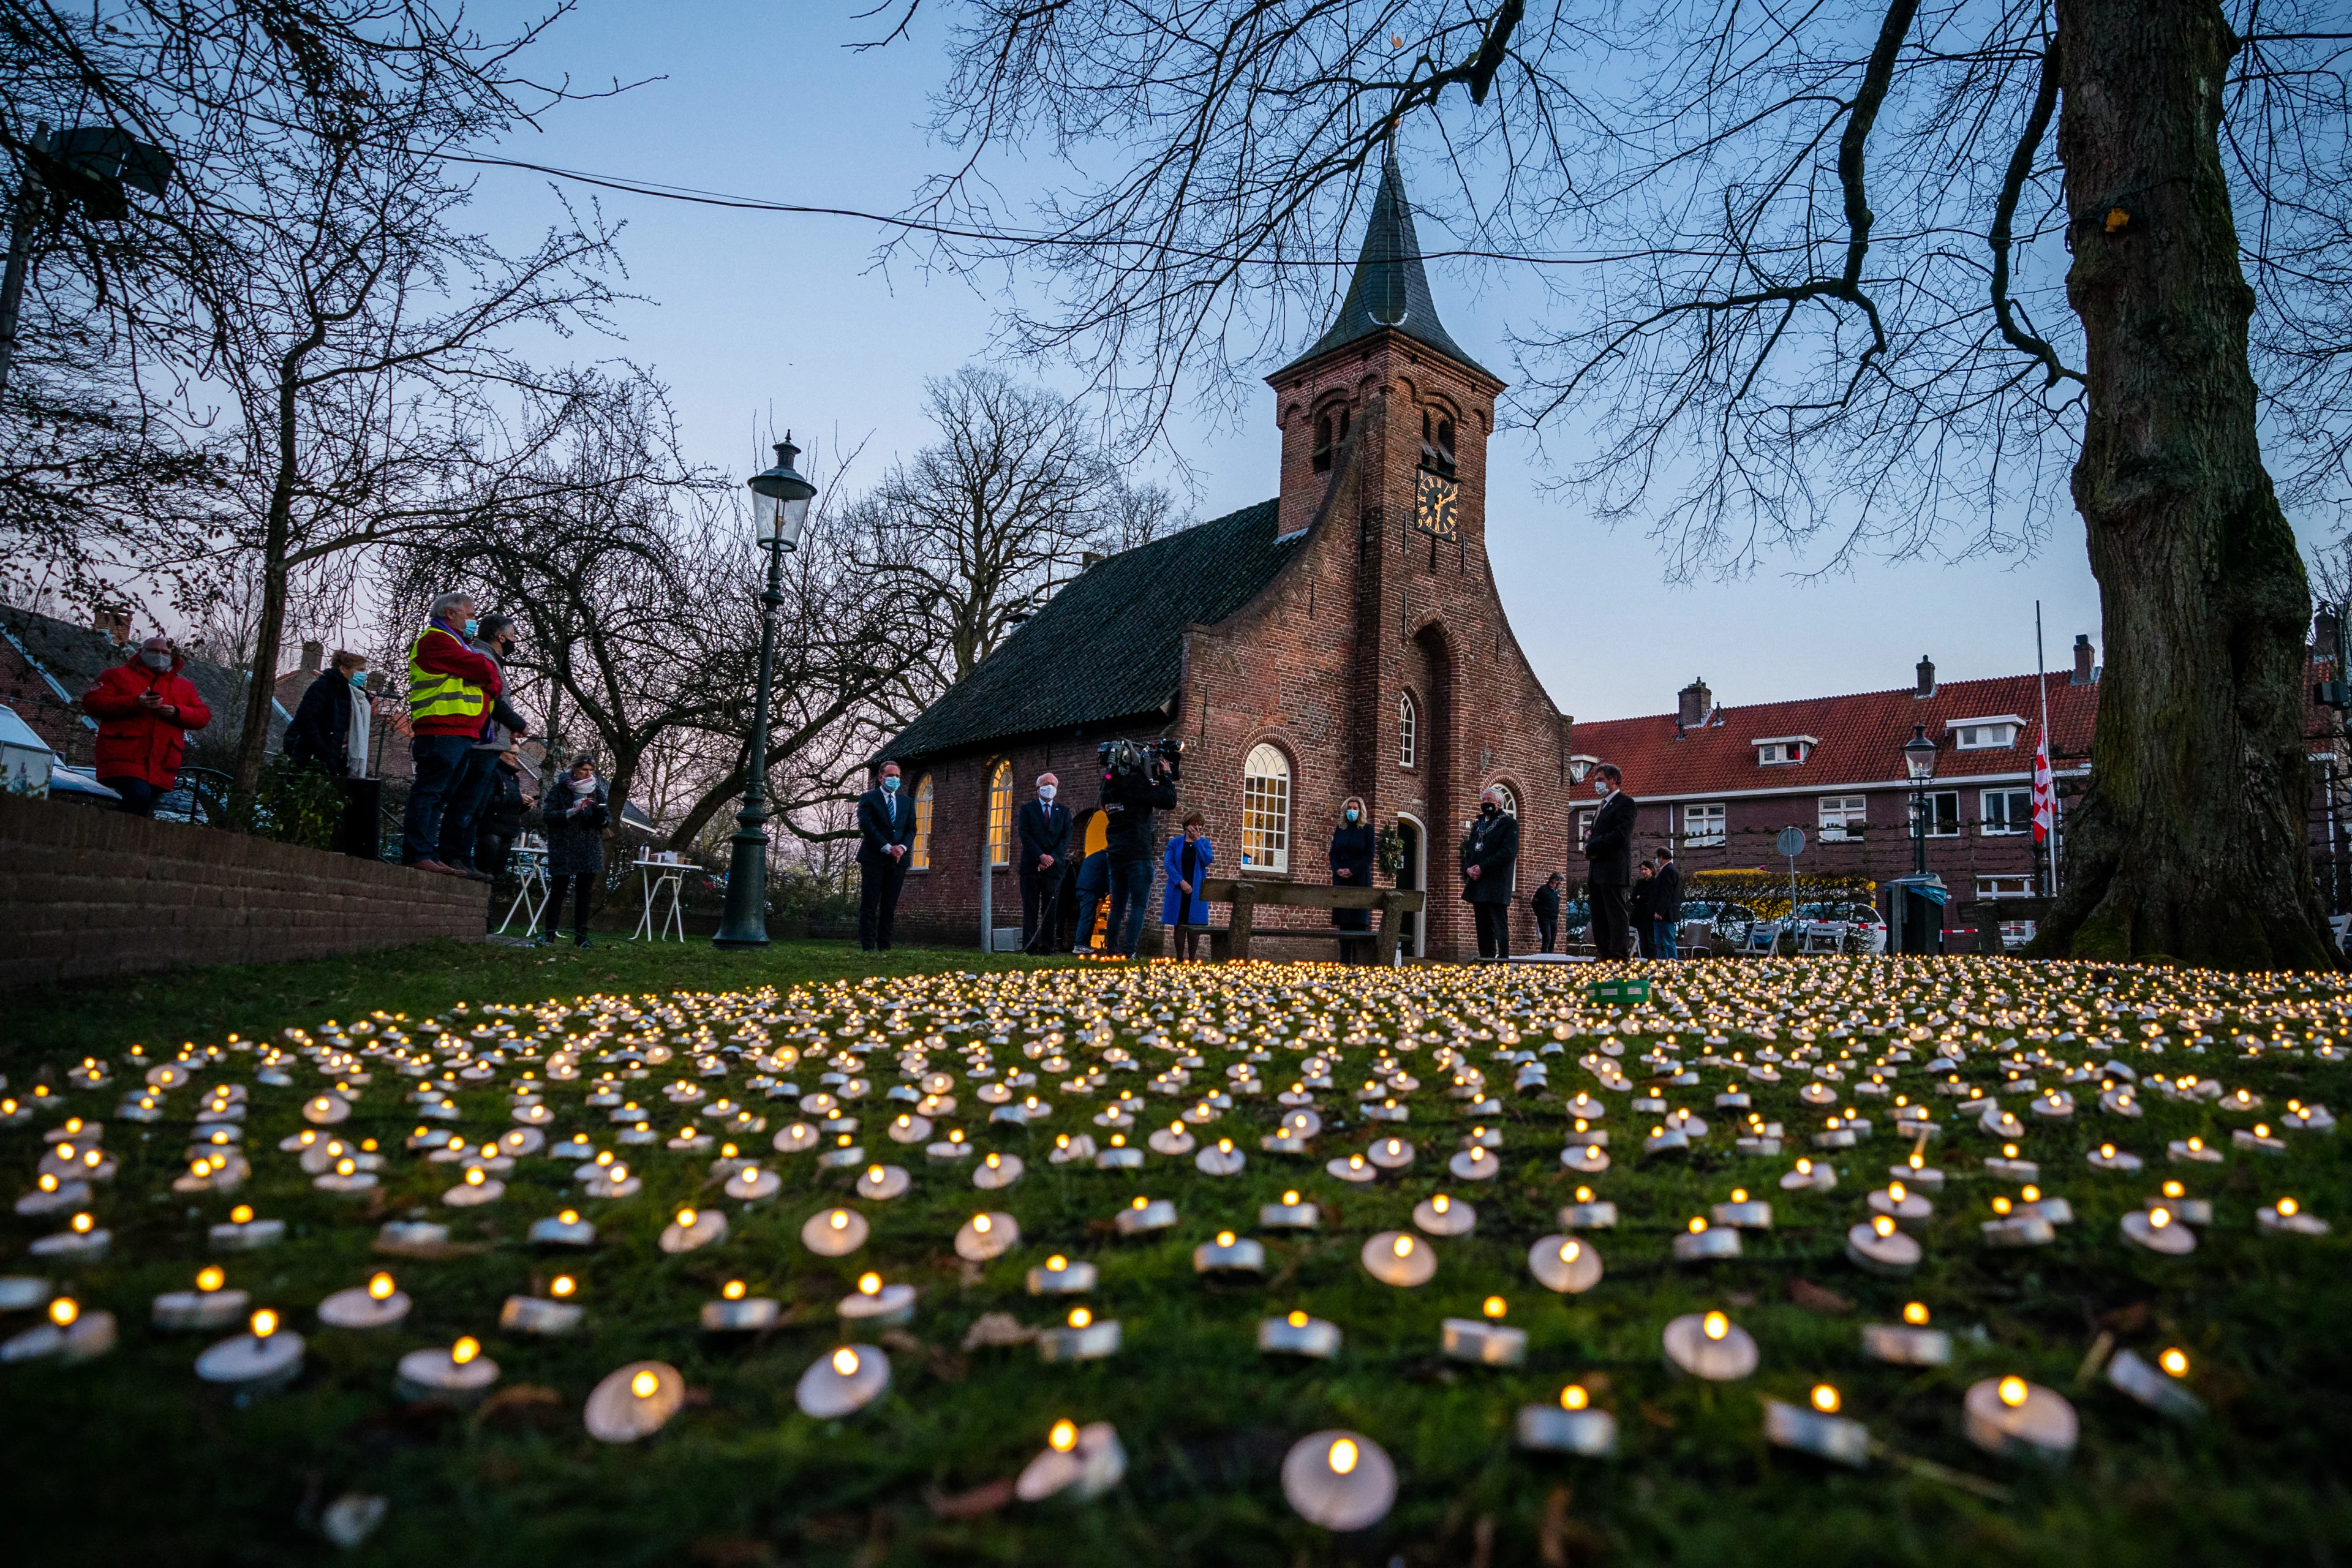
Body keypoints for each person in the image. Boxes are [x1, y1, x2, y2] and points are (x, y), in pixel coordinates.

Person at [401, 591, 502, 876]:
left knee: (440, 796)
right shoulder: (436, 640)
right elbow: (483, 668)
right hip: (440, 729)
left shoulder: (461, 644)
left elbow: (491, 681)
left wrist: (487, 678)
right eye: (470, 615)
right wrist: (485, 676)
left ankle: (428, 854)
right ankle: (417, 853)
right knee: (430, 792)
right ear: (450, 614)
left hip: (460, 732)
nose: (473, 621)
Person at [437, 614, 530, 876]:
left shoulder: (492, 659)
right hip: (481, 744)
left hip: (490, 742)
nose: (514, 639)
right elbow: (491, 700)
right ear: (500, 636)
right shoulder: (483, 657)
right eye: (512, 634)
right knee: (466, 803)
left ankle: (462, 860)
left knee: (474, 807)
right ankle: (453, 857)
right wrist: (515, 723)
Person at [81, 635, 212, 816]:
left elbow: (202, 716)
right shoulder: (116, 676)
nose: (160, 656)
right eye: (154, 651)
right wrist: (135, 703)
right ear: (141, 652)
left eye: (165, 652)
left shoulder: (184, 687)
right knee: (138, 796)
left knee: (142, 811)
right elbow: (92, 703)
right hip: (125, 756)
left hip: (162, 763)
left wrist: (176, 712)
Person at [1100, 738, 1178, 957]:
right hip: (1137, 853)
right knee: (1138, 905)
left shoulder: (1108, 785)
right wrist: (1167, 777)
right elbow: (1169, 800)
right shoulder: (1134, 783)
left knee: (1117, 906)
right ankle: (1129, 951)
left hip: (1115, 852)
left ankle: (1112, 949)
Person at [540, 752, 606, 948]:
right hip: (565, 846)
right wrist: (572, 812)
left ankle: (581, 937)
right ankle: (550, 934)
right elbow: (548, 816)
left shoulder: (597, 791)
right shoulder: (559, 789)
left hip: (589, 847)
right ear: (574, 770)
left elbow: (607, 817)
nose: (588, 773)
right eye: (584, 769)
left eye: (591, 770)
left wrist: (600, 817)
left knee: (585, 893)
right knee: (558, 891)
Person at [856, 760, 916, 954]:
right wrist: (887, 847)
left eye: (898, 776)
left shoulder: (906, 802)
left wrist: (902, 848)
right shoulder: (868, 799)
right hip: (874, 858)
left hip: (898, 862)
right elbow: (867, 826)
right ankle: (868, 946)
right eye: (891, 776)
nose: (895, 780)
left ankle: (885, 946)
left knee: (890, 906)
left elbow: (911, 829)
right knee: (869, 904)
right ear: (881, 777)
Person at [1583, 764, 1637, 961]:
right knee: (1599, 915)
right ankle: (1604, 953)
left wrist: (1593, 845)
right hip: (1597, 870)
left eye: (1600, 780)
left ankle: (1619, 955)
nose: (1597, 784)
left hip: (1614, 870)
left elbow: (1620, 835)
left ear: (1613, 780)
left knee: (1616, 915)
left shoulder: (1625, 803)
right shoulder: (1602, 805)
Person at [1461, 785, 1520, 962]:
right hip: (1478, 882)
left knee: (1498, 923)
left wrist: (1483, 867)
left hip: (1496, 882)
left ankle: (1502, 960)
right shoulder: (1478, 825)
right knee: (1482, 924)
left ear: (1499, 804)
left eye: (1490, 801)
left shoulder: (1508, 824)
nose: (1486, 804)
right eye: (1484, 800)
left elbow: (1507, 853)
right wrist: (1469, 868)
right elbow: (1470, 851)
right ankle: (1486, 959)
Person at [284, 651, 367, 776]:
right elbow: (305, 719)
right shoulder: (323, 687)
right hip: (314, 758)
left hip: (332, 757)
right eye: (360, 670)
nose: (363, 674)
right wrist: (322, 748)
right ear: (343, 669)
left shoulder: (350, 693)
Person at [1017, 772, 1071, 955]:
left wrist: (1051, 859)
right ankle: (1029, 946)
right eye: (1046, 783)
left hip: (1053, 869)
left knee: (1051, 908)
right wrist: (1040, 856)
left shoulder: (1063, 812)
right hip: (1030, 867)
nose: (1050, 787)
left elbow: (1066, 838)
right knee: (1030, 908)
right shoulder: (1027, 809)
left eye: (1053, 784)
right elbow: (1025, 834)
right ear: (1038, 787)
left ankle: (1048, 946)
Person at [473, 749, 533, 897]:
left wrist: (523, 806)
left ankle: (488, 917)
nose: (516, 758)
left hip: (507, 832)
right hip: (492, 831)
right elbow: (487, 801)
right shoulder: (492, 773)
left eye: (518, 754)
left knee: (497, 878)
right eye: (513, 753)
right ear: (501, 753)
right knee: (485, 875)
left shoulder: (514, 778)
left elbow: (511, 809)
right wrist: (518, 799)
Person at [1329, 796, 1376, 962]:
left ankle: (1357, 962)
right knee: (1344, 924)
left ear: (1361, 811)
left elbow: (1369, 854)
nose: (1352, 811)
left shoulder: (1367, 830)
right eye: (1350, 808)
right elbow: (1333, 853)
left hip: (1359, 879)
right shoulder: (1340, 829)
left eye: (1355, 808)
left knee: (1358, 923)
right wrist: (1338, 870)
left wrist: (1353, 871)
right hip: (1341, 879)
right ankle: (1343, 962)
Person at [1162, 812, 1215, 960]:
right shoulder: (1175, 843)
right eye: (1194, 825)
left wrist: (1197, 842)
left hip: (1196, 889)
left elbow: (1206, 860)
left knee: (1194, 925)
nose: (1197, 828)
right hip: (1179, 889)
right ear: (1186, 826)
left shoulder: (1204, 843)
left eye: (1200, 826)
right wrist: (1181, 881)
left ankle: (1192, 958)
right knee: (1179, 924)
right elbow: (1169, 865)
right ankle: (1179, 958)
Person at [1070, 845, 1110, 954]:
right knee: (1087, 917)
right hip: (1089, 890)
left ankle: (1084, 944)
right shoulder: (1106, 859)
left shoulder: (1094, 857)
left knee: (1089, 917)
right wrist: (1107, 891)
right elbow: (1107, 877)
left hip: (1084, 889)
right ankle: (1080, 944)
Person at [1652, 845, 1683, 960]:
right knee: (1660, 942)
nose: (1656, 861)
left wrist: (1660, 911)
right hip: (1661, 914)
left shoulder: (1669, 871)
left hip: (1665, 914)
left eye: (1656, 858)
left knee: (1668, 941)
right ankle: (1662, 962)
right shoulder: (1665, 870)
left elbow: (1666, 893)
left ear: (1661, 857)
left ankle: (1672, 963)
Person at [1631, 859, 1658, 959]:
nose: (1643, 872)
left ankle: (1652, 959)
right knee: (1642, 939)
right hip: (1640, 915)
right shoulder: (1640, 883)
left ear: (1651, 870)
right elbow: (1633, 898)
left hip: (1650, 915)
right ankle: (1644, 958)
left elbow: (1652, 898)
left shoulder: (1655, 882)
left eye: (1645, 869)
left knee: (1651, 938)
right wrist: (1642, 898)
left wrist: (1641, 898)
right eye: (1642, 870)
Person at [1532, 871, 1564, 954]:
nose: (1558, 884)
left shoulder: (1557, 892)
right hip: (1545, 918)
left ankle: (1551, 956)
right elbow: (1535, 903)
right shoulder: (1543, 890)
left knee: (1553, 940)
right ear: (1553, 881)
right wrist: (1540, 914)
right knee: (1547, 938)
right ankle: (1544, 957)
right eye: (1557, 882)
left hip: (1554, 918)